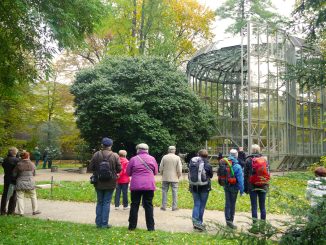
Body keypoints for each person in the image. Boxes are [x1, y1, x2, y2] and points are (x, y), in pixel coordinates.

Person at [87, 137, 121, 228]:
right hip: (111, 182)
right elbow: (119, 169)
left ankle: (98, 223)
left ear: (102, 145)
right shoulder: (115, 155)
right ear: (111, 145)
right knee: (106, 203)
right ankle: (104, 224)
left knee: (99, 202)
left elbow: (90, 167)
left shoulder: (96, 154)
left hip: (98, 182)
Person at [126, 143, 158, 231]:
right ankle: (151, 227)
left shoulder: (133, 159)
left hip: (136, 185)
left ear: (138, 150)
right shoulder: (152, 159)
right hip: (149, 185)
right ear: (147, 150)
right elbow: (155, 172)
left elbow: (128, 172)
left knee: (134, 204)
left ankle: (132, 226)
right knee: (148, 205)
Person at [244, 144, 269, 233]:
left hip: (252, 186)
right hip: (263, 185)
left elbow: (246, 174)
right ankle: (262, 228)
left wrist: (245, 188)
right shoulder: (265, 159)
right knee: (262, 207)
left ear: (252, 150)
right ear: (259, 150)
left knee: (254, 207)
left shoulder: (248, 160)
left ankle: (254, 228)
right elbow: (267, 172)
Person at [188, 149, 213, 231]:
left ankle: (195, 222)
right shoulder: (208, 164)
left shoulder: (193, 163)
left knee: (196, 204)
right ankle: (199, 223)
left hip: (194, 186)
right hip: (204, 187)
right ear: (207, 155)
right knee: (202, 205)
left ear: (198, 155)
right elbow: (211, 175)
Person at [13, 152, 41, 216]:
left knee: (20, 197)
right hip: (30, 182)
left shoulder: (18, 164)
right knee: (33, 196)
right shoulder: (32, 164)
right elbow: (34, 174)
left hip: (20, 182)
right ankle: (35, 210)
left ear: (21, 157)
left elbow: (14, 174)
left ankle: (21, 212)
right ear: (28, 156)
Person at [223, 149, 244, 229]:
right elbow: (240, 180)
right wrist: (241, 191)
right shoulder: (237, 166)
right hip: (234, 187)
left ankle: (227, 221)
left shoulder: (225, 163)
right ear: (236, 155)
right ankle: (230, 221)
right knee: (232, 204)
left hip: (226, 186)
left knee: (227, 204)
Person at [159, 146, 182, 211]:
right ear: (174, 150)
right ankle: (174, 207)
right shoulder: (177, 158)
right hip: (174, 177)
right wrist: (178, 175)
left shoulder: (164, 157)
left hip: (165, 177)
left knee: (164, 191)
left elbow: (161, 167)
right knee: (174, 192)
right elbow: (179, 169)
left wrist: (162, 174)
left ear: (168, 150)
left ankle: (163, 206)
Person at [0, 147, 19, 215]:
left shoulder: (5, 159)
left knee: (5, 195)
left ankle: (2, 211)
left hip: (6, 178)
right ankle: (11, 211)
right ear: (15, 152)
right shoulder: (17, 160)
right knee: (13, 195)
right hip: (13, 179)